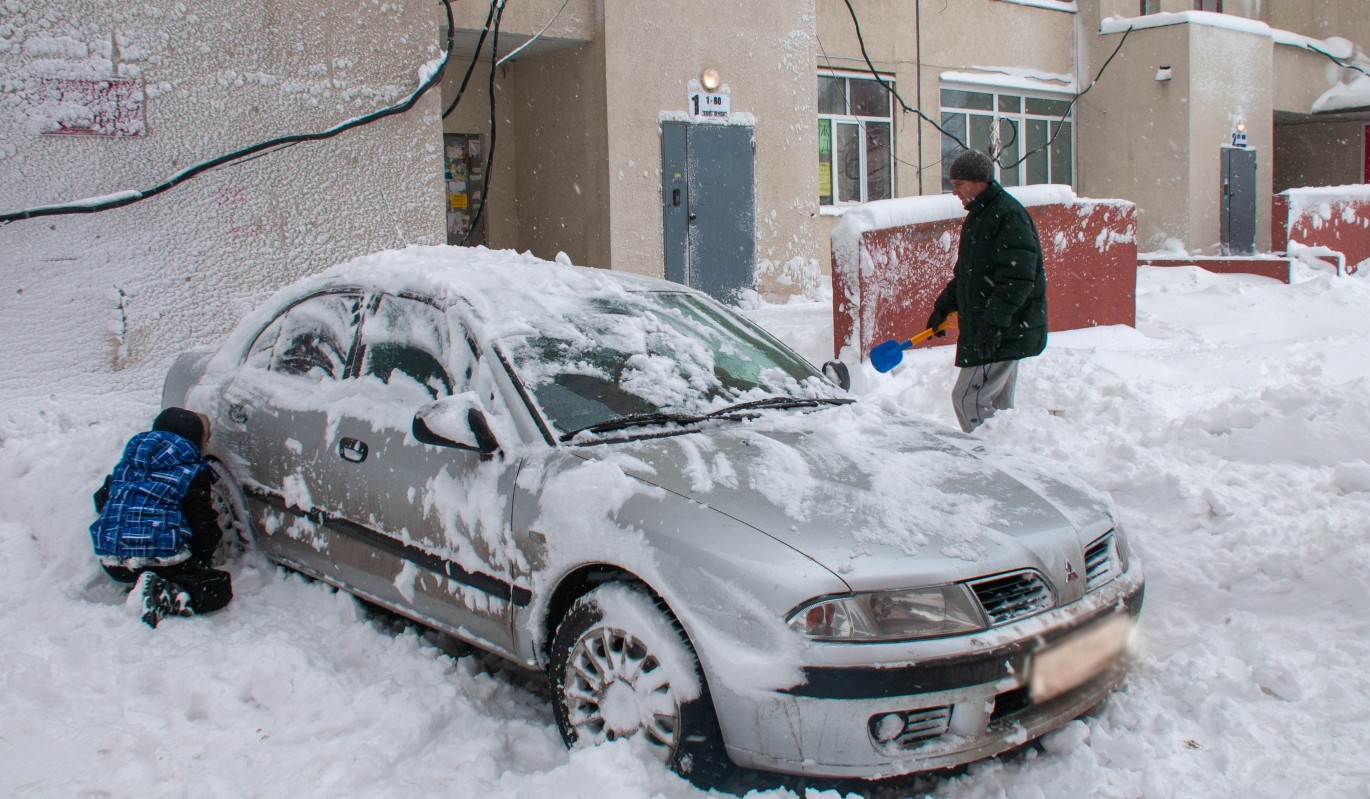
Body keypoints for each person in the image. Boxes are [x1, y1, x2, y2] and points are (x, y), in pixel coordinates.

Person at [926, 149, 1048, 433]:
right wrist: (943, 306)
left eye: (958, 184)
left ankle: (986, 462)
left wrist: (994, 323)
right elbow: (969, 274)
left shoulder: (1006, 216)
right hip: (998, 329)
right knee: (999, 409)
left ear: (978, 180)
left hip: (1001, 330)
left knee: (968, 400)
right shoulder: (981, 216)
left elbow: (1018, 278)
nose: (954, 192)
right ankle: (1005, 456)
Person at [89, 407, 233, 628]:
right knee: (218, 586)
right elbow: (203, 525)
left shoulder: (128, 464)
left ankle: (140, 581)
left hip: (113, 562)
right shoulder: (190, 471)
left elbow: (101, 500)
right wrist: (202, 559)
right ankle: (168, 593)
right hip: (161, 562)